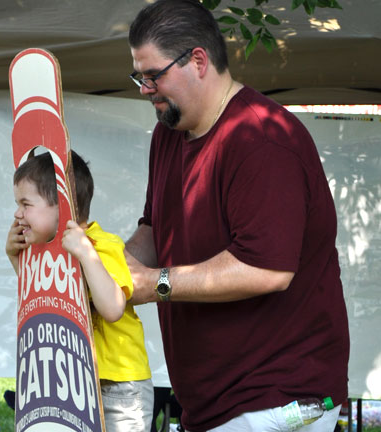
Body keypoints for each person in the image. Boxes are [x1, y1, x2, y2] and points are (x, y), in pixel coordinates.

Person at [123, 1, 350, 431]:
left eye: (153, 75)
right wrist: (107, 266)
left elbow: (266, 269)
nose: (144, 89)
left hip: (278, 397)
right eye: (139, 76)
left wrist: (155, 284)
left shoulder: (262, 140)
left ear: (198, 61)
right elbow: (154, 229)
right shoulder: (168, 133)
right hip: (217, 400)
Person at [6, 151, 154, 432]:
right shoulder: (43, 253)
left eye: (25, 204)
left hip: (118, 386)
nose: (17, 213)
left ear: (63, 204)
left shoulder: (101, 246)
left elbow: (112, 308)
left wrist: (87, 255)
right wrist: (15, 257)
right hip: (77, 381)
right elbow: (41, 302)